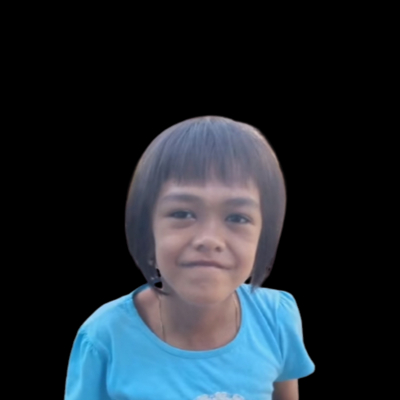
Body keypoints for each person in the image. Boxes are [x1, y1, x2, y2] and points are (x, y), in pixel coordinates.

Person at [64, 116, 315, 400]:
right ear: (146, 229)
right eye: (182, 213)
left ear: (264, 235)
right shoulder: (103, 338)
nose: (209, 239)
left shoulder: (276, 318)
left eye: (237, 217)